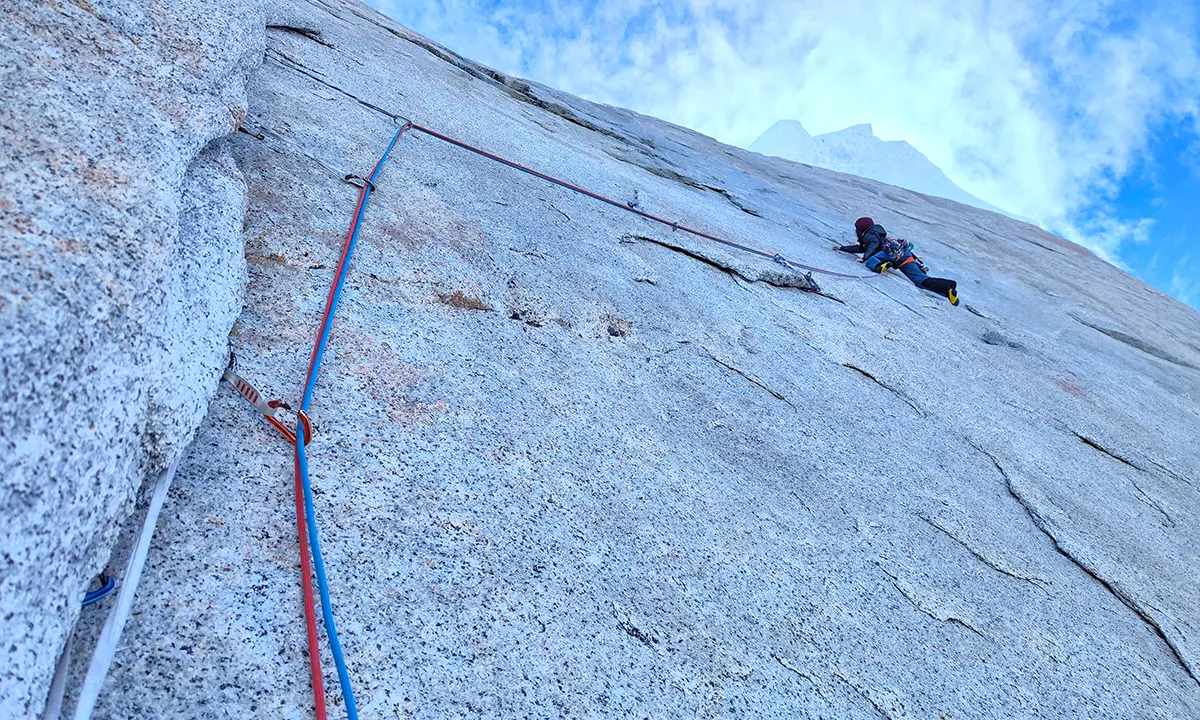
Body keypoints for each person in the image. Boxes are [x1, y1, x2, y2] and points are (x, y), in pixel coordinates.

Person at [834, 217, 959, 305]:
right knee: (920, 281)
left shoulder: (869, 236)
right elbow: (861, 248)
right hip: (905, 255)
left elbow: (872, 245)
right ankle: (947, 290)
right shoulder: (878, 233)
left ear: (860, 229)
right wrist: (843, 248)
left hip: (889, 254)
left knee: (871, 260)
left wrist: (864, 258)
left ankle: (881, 266)